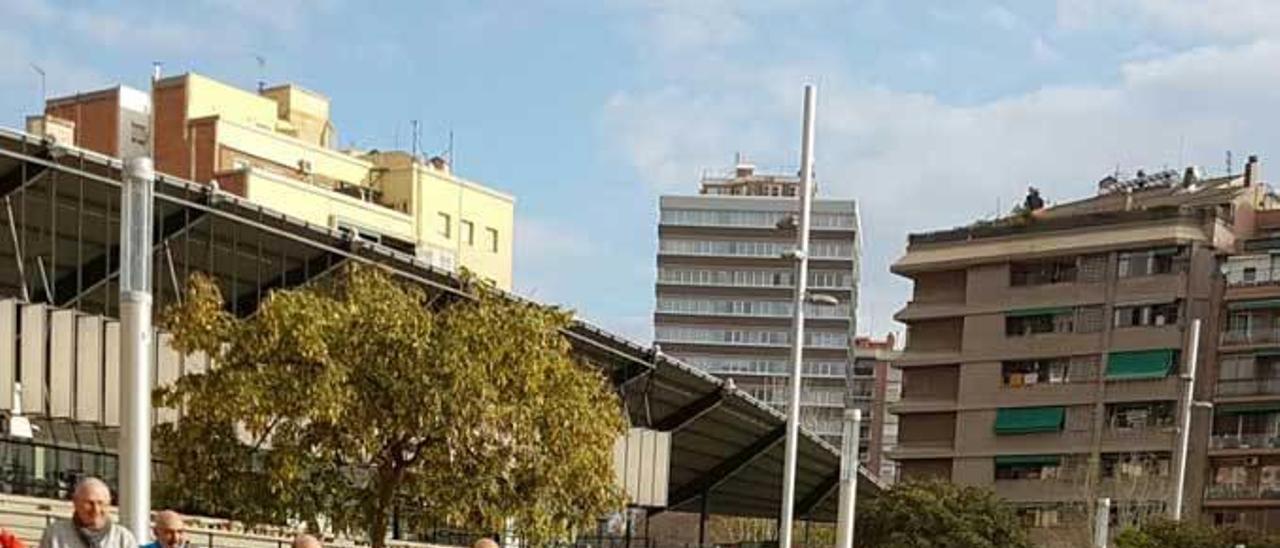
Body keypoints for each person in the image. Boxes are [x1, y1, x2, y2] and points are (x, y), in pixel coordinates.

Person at [38, 477, 137, 548]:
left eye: (101, 503)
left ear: (109, 504)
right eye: (90, 503)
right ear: (75, 502)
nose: (96, 510)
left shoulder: (123, 538)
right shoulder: (55, 535)